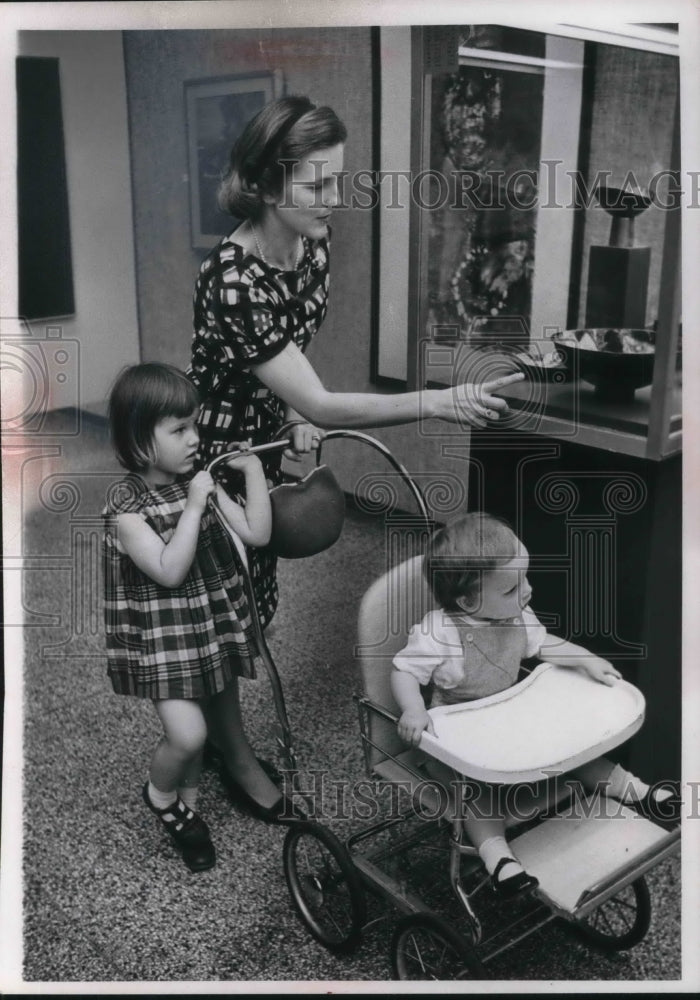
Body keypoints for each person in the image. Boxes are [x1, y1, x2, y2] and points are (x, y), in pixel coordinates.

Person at [187, 94, 525, 634]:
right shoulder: (232, 281)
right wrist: (435, 401)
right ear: (268, 187)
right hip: (214, 448)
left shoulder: (312, 245)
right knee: (218, 615)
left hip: (266, 440)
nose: (333, 200)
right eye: (316, 186)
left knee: (253, 606)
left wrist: (292, 413)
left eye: (337, 181)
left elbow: (288, 353)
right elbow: (320, 400)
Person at [391, 512, 680, 898]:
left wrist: (586, 659)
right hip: (461, 742)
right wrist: (413, 709)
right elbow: (404, 671)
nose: (526, 591)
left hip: (511, 723)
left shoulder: (516, 615)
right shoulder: (438, 633)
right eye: (511, 589)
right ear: (467, 600)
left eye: (525, 578)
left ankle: (636, 791)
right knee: (480, 794)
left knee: (577, 754)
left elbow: (546, 645)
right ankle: (499, 859)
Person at [102, 364, 304, 873]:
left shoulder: (198, 482)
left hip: (209, 628)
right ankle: (160, 796)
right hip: (164, 641)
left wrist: (253, 472)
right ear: (139, 441)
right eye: (179, 430)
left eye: (195, 425)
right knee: (187, 735)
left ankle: (187, 811)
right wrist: (195, 505)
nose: (197, 438)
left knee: (217, 700)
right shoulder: (127, 509)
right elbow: (170, 571)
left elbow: (257, 534)